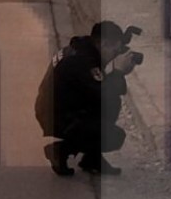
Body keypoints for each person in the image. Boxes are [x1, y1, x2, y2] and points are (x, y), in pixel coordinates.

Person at [35, 20, 141, 176]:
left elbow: (97, 89)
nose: (114, 56)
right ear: (104, 43)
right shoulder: (83, 61)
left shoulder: (83, 49)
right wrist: (118, 72)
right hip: (57, 116)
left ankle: (92, 158)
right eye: (114, 51)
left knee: (110, 104)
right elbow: (103, 93)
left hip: (58, 108)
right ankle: (60, 151)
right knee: (114, 136)